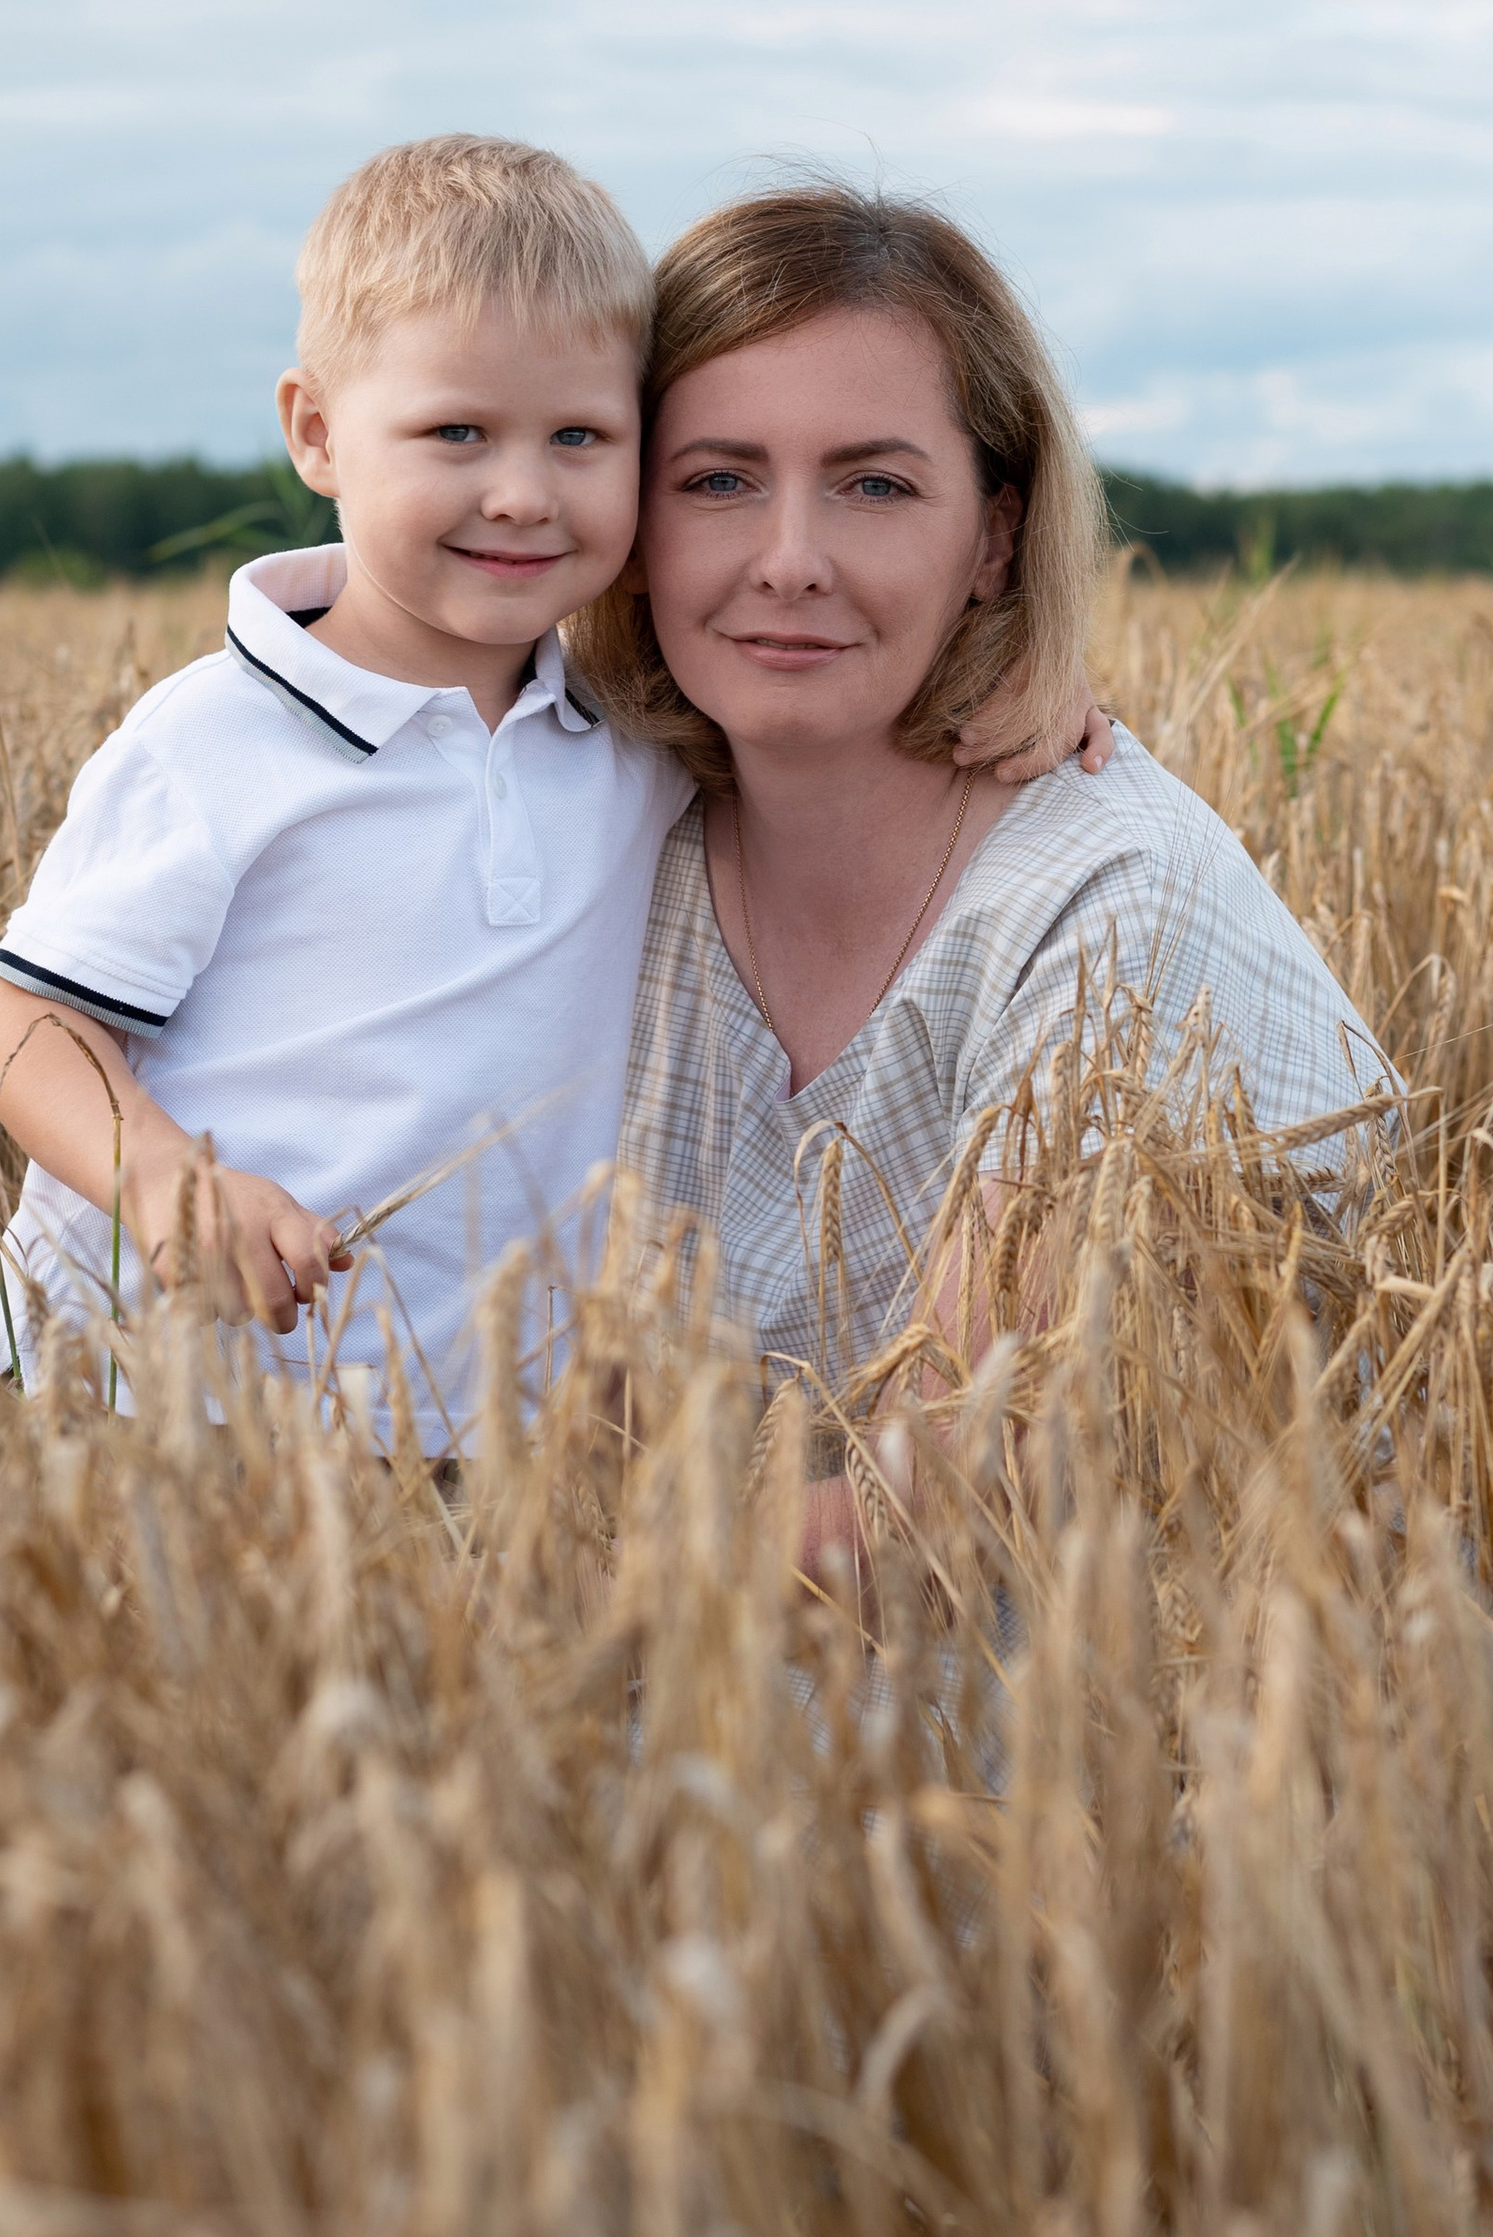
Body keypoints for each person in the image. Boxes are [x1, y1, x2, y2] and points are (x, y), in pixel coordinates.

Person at [0, 137, 1103, 1446]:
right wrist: (165, 1184)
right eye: (457, 432)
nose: (521, 491)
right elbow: (26, 1023)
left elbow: (834, 733)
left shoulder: (629, 737)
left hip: (442, 1428)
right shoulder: (218, 740)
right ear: (317, 431)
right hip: (134, 1396)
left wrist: (1013, 681)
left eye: (580, 436)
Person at [583, 185, 1388, 1470]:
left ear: (994, 539)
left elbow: (942, 1493)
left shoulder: (1117, 896)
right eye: (719, 478)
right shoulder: (590, 833)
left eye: (875, 486)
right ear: (623, 521)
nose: (790, 559)